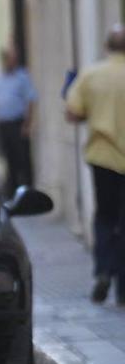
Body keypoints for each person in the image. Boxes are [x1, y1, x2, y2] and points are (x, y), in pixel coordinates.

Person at [66, 24, 125, 305]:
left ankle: (103, 270)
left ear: (107, 46)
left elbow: (73, 113)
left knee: (105, 217)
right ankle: (123, 286)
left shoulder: (92, 75)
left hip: (103, 157)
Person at [0, 46, 37, 197]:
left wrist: (27, 124)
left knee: (23, 159)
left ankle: (28, 192)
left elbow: (31, 100)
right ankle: (12, 192)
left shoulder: (22, 77)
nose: (11, 62)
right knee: (8, 159)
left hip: (18, 123)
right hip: (3, 124)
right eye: (9, 59)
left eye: (13, 59)